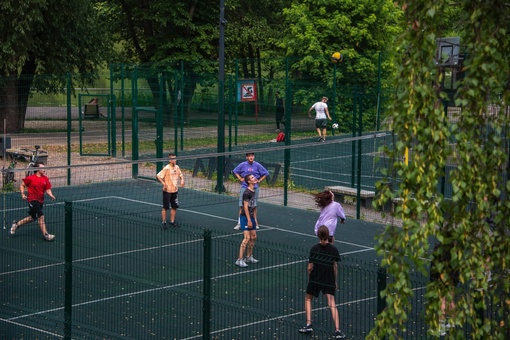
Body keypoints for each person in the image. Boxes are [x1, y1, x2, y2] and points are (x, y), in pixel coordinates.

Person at [299, 225, 345, 339]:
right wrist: (335, 281)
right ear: (328, 235)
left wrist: (310, 278)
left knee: (308, 298)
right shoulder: (333, 250)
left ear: (318, 235)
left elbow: (310, 267)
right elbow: (335, 266)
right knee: (332, 303)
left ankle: (309, 324)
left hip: (315, 278)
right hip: (328, 278)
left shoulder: (314, 249)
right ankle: (337, 330)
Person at [10, 163, 56, 241]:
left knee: (33, 217)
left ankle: (16, 224)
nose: (44, 169)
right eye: (42, 168)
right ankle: (46, 235)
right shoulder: (30, 178)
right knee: (41, 217)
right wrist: (22, 194)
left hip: (40, 201)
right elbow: (22, 185)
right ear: (37, 169)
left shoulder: (45, 179)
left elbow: (47, 189)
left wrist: (51, 195)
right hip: (32, 200)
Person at [429, 230, 459, 336]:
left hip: (442, 279)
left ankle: (441, 326)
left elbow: (434, 265)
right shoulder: (454, 250)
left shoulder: (438, 249)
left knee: (441, 302)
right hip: (452, 279)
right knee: (450, 301)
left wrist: (434, 279)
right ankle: (452, 323)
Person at [232, 152, 269, 230]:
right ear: (246, 157)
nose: (251, 157)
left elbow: (266, 173)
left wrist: (260, 180)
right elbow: (235, 171)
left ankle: (255, 222)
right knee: (242, 205)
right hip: (244, 187)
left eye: (252, 156)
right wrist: (240, 178)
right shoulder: (242, 165)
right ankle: (239, 223)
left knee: (254, 205)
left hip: (254, 188)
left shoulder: (257, 165)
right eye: (249, 156)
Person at [235, 174, 260, 268]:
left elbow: (254, 206)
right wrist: (249, 220)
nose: (255, 178)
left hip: (251, 217)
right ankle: (239, 259)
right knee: (247, 238)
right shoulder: (246, 193)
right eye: (253, 178)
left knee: (253, 237)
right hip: (245, 217)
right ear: (249, 181)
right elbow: (245, 207)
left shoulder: (254, 191)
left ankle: (248, 257)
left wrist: (255, 219)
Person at [157, 153, 184, 229]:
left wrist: (182, 180)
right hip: (167, 191)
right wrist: (164, 184)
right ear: (169, 160)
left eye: (175, 158)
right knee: (165, 207)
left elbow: (181, 175)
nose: (174, 160)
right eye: (172, 159)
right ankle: (164, 222)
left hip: (175, 191)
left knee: (174, 207)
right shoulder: (166, 168)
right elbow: (158, 176)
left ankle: (172, 222)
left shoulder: (177, 167)